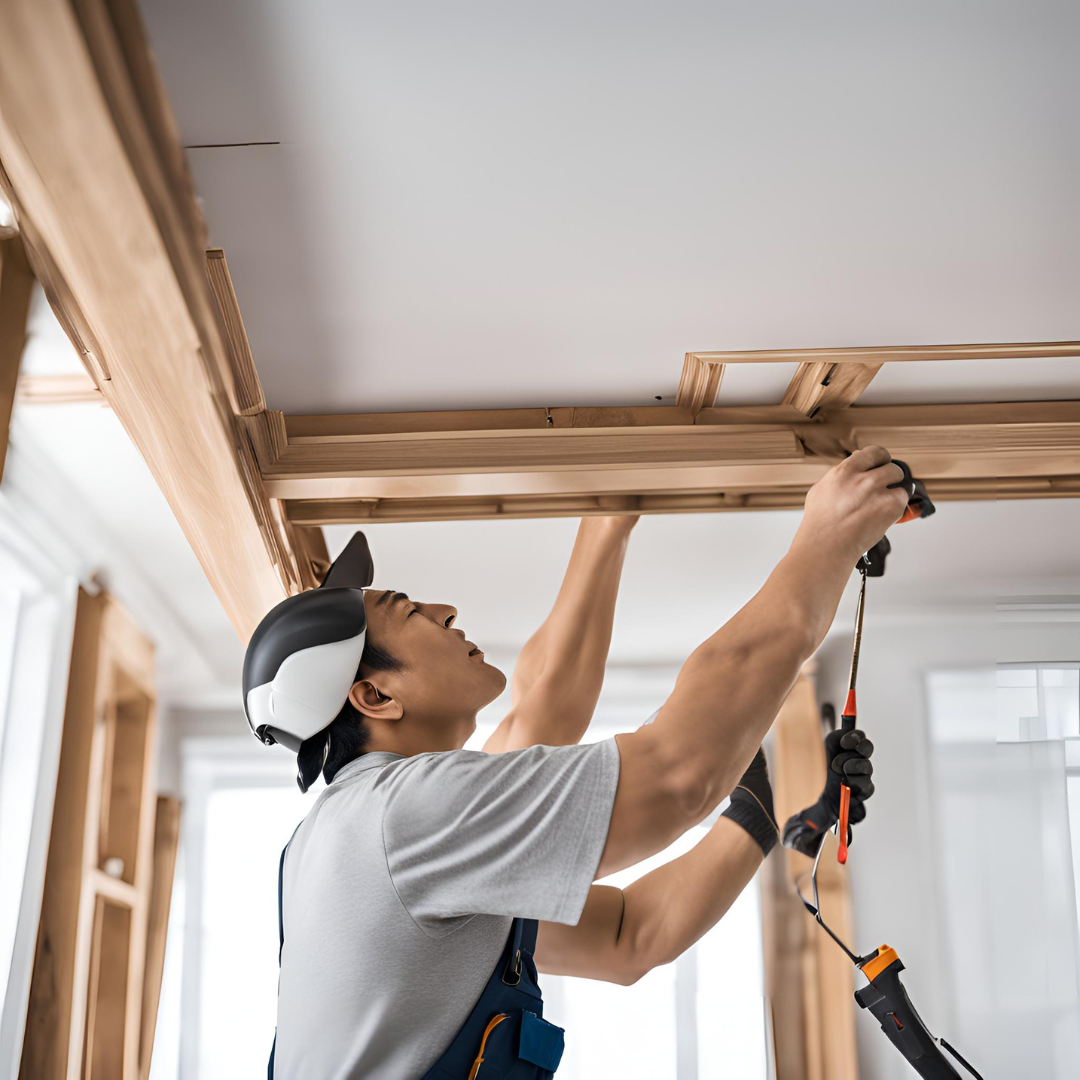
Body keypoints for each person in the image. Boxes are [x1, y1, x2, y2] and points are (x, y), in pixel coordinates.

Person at [249, 446, 901, 1079]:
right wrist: (829, 540)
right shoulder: (402, 816)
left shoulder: (364, 835)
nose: (445, 609)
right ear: (376, 696)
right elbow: (678, 776)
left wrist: (759, 810)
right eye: (412, 612)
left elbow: (627, 936)